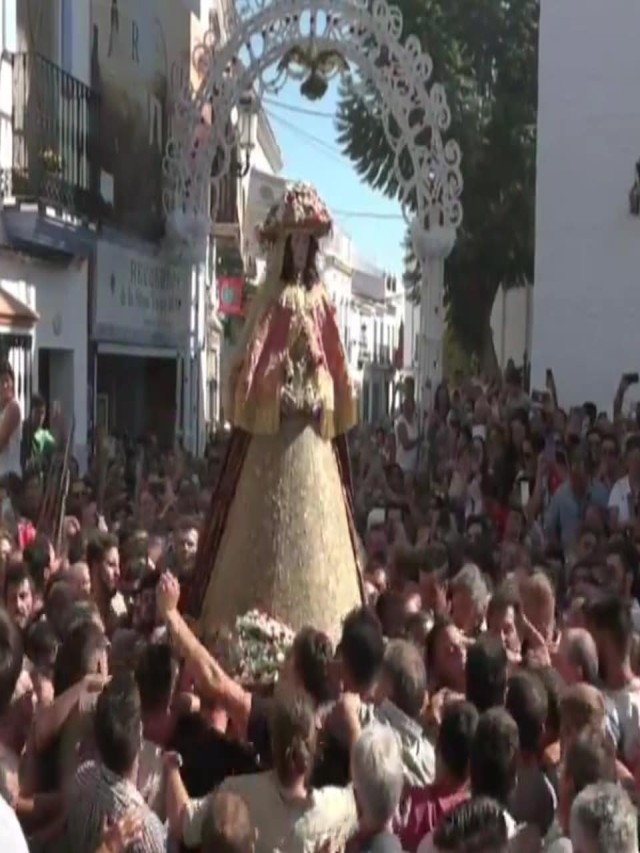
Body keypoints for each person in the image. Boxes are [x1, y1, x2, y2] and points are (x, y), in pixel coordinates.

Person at [185, 182, 362, 642]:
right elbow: (256, 353)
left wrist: (326, 388)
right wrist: (266, 386)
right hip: (274, 431)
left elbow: (335, 359)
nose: (303, 249)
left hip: (310, 431)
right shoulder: (275, 300)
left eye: (309, 242)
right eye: (296, 241)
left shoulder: (321, 301)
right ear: (285, 246)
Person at [0, 363, 21, 488]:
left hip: (8, 478)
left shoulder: (13, 408)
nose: (5, 385)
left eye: (7, 380)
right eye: (1, 381)